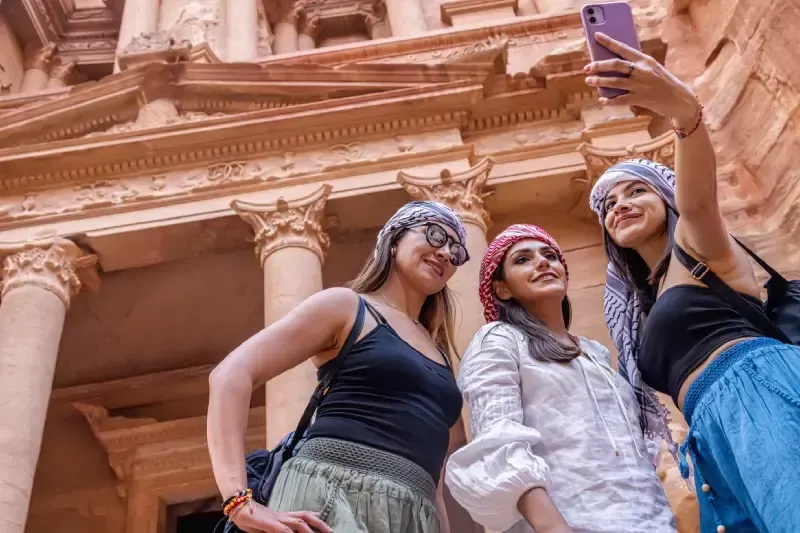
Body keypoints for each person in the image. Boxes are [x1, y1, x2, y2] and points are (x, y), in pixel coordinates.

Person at [585, 32, 800, 533]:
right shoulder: (645, 300)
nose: (620, 204)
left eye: (637, 190)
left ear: (666, 197)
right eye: (608, 205)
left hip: (754, 390)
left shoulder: (696, 242)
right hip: (711, 430)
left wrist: (684, 113)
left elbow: (700, 198)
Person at [207, 201, 469, 533]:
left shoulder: (440, 355)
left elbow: (434, 479)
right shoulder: (348, 307)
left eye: (456, 249)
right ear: (394, 239)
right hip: (331, 496)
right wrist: (238, 501)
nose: (446, 252)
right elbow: (231, 374)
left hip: (414, 514)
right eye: (434, 235)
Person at [444, 224, 677, 533]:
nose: (542, 262)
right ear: (502, 289)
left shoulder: (595, 353)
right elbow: (498, 442)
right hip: (570, 521)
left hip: (652, 521)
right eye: (522, 259)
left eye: (550, 255)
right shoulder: (499, 339)